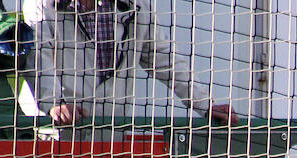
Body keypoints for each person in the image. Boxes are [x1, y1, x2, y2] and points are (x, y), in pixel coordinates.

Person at [23, 0, 237, 128]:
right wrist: (54, 104)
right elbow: (38, 59)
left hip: (113, 135)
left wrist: (204, 104)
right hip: (53, 135)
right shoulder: (42, 5)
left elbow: (165, 58)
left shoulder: (137, 5)